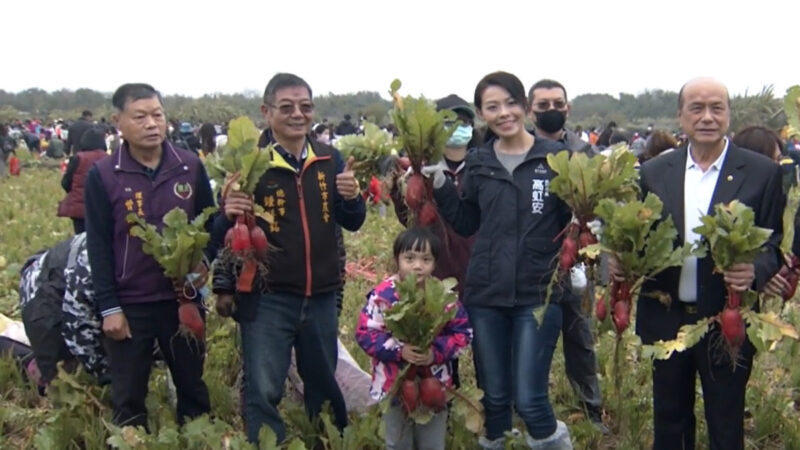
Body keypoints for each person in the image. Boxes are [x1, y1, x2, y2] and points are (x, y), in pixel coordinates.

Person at [620, 77, 784, 449]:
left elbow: (772, 241)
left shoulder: (762, 172)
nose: (707, 117)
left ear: (728, 114)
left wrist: (754, 270)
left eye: (716, 108)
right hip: (665, 315)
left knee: (726, 421)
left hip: (725, 317)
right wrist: (620, 262)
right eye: (697, 108)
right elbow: (639, 239)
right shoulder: (653, 173)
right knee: (670, 419)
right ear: (680, 116)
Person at [214, 72, 366, 444]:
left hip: (322, 294)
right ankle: (268, 440)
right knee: (264, 387)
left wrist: (352, 196)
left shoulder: (330, 158)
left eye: (305, 107)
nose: (298, 115)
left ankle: (326, 439)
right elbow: (223, 235)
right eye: (286, 107)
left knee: (322, 381)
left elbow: (354, 220)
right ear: (267, 112)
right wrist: (226, 211)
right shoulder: (250, 165)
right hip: (267, 296)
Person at [424, 71, 573, 449]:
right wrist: (441, 186)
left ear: (524, 107)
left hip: (538, 295)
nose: (503, 113)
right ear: (481, 114)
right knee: (495, 400)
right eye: (492, 107)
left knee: (531, 400)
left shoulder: (555, 158)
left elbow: (573, 217)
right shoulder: (478, 162)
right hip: (486, 294)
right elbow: (466, 221)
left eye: (510, 104)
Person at [85, 83, 216, 428]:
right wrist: (109, 307)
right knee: (128, 393)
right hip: (131, 302)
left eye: (157, 115)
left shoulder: (189, 166)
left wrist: (205, 263)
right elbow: (97, 244)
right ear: (119, 122)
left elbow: (210, 223)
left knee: (192, 386)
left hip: (182, 299)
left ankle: (197, 436)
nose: (151, 124)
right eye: (140, 116)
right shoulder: (103, 174)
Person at [526, 79, 606, 431]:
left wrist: (591, 229)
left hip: (575, 261)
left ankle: (592, 410)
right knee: (532, 339)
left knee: (580, 337)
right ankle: (530, 408)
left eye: (557, 103)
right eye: (542, 105)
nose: (551, 110)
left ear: (568, 108)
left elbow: (604, 203)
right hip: (531, 261)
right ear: (531, 110)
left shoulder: (584, 153)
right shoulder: (520, 149)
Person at [389, 93, 478, 387]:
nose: (459, 128)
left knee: (485, 350)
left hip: (478, 273)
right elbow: (410, 221)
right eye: (451, 122)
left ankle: (493, 413)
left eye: (465, 122)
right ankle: (445, 408)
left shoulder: (482, 168)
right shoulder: (421, 172)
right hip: (435, 275)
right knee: (439, 347)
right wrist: (399, 186)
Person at [355, 227, 472, 450]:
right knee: (397, 443)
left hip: (434, 383)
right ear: (397, 259)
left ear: (434, 264)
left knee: (433, 444)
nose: (417, 266)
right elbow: (365, 333)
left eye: (425, 259)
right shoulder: (383, 296)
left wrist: (433, 353)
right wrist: (399, 350)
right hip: (394, 384)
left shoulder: (444, 296)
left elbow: (463, 334)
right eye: (409, 258)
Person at [18, 232, 109, 391]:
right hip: (42, 294)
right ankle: (24, 358)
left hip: (73, 285)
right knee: (62, 383)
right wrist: (106, 377)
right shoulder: (95, 259)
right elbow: (78, 324)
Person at [58, 126, 108, 233]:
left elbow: (66, 182)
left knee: (81, 240)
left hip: (79, 209)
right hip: (102, 208)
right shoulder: (109, 159)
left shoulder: (78, 158)